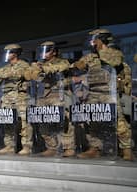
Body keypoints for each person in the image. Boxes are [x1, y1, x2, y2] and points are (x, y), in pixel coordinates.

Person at [73, 29, 133, 160]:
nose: (92, 42)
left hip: (109, 93)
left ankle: (126, 149)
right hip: (93, 93)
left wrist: (102, 47)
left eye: (94, 39)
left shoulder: (114, 53)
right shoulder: (90, 56)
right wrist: (77, 67)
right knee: (90, 121)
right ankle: (95, 148)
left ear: (101, 39)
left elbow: (114, 62)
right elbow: (78, 66)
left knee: (119, 121)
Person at [33, 41, 75, 157]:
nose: (44, 54)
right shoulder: (39, 64)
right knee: (43, 121)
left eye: (47, 51)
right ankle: (51, 147)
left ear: (54, 52)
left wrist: (42, 68)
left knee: (64, 122)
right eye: (43, 51)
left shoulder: (63, 62)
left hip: (59, 94)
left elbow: (58, 68)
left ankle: (68, 147)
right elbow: (32, 75)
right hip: (44, 95)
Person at [0, 44, 33, 155]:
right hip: (7, 96)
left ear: (15, 53)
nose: (6, 55)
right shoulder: (5, 67)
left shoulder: (24, 65)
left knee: (24, 122)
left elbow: (17, 74)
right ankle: (9, 145)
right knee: (7, 121)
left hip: (20, 96)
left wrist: (2, 74)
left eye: (9, 53)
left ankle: (26, 146)